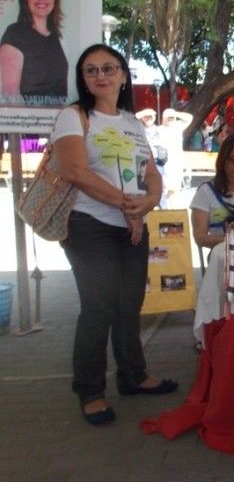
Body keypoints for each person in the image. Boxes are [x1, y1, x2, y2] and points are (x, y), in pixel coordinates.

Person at [52, 44, 178, 426]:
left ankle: (133, 376)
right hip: (89, 227)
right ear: (83, 79)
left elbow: (150, 171)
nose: (100, 76)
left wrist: (150, 201)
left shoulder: (130, 121)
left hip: (132, 224)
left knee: (129, 304)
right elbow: (75, 171)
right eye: (91, 70)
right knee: (99, 307)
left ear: (124, 74)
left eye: (108, 68)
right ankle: (89, 391)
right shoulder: (73, 116)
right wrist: (128, 205)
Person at [0, 0, 69, 106]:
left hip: (59, 123)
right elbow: (10, 94)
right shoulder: (14, 34)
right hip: (29, 123)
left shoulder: (59, 38)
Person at [190, 133, 234, 251]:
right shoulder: (206, 192)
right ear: (223, 159)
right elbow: (199, 237)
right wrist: (230, 241)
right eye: (233, 159)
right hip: (221, 256)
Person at [159, 107, 193, 206]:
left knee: (174, 190)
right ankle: (164, 211)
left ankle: (174, 212)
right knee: (163, 190)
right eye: (168, 118)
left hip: (176, 164)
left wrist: (175, 114)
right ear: (163, 119)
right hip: (163, 164)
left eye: (172, 118)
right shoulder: (159, 129)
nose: (170, 119)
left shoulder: (178, 126)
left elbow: (189, 118)